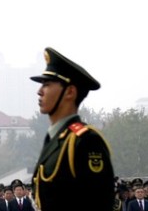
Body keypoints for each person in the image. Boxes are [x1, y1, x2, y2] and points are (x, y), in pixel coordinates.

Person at [30, 47, 114, 210]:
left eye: (47, 85)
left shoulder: (86, 140)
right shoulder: (55, 139)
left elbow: (99, 203)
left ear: (70, 92)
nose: (39, 92)